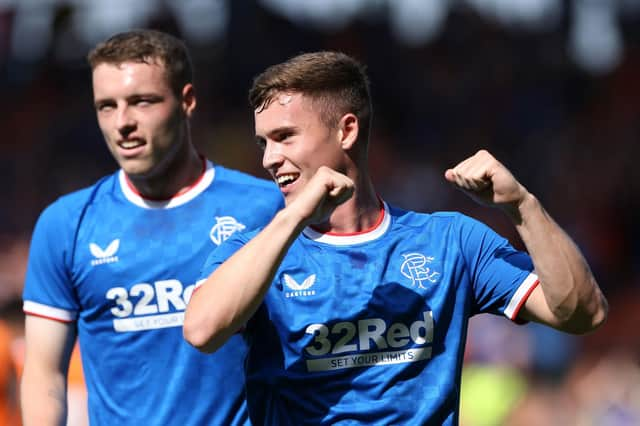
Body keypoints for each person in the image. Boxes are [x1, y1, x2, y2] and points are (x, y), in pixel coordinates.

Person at [183, 51, 609, 425]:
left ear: (346, 131)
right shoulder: (254, 253)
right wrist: (295, 216)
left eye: (284, 137)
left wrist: (521, 205)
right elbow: (202, 330)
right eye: (263, 142)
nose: (269, 158)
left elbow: (581, 313)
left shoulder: (450, 242)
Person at [21, 29, 283, 426]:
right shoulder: (66, 224)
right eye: (106, 106)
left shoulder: (266, 208)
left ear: (187, 101)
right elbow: (44, 377)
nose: (122, 122)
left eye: (142, 102)